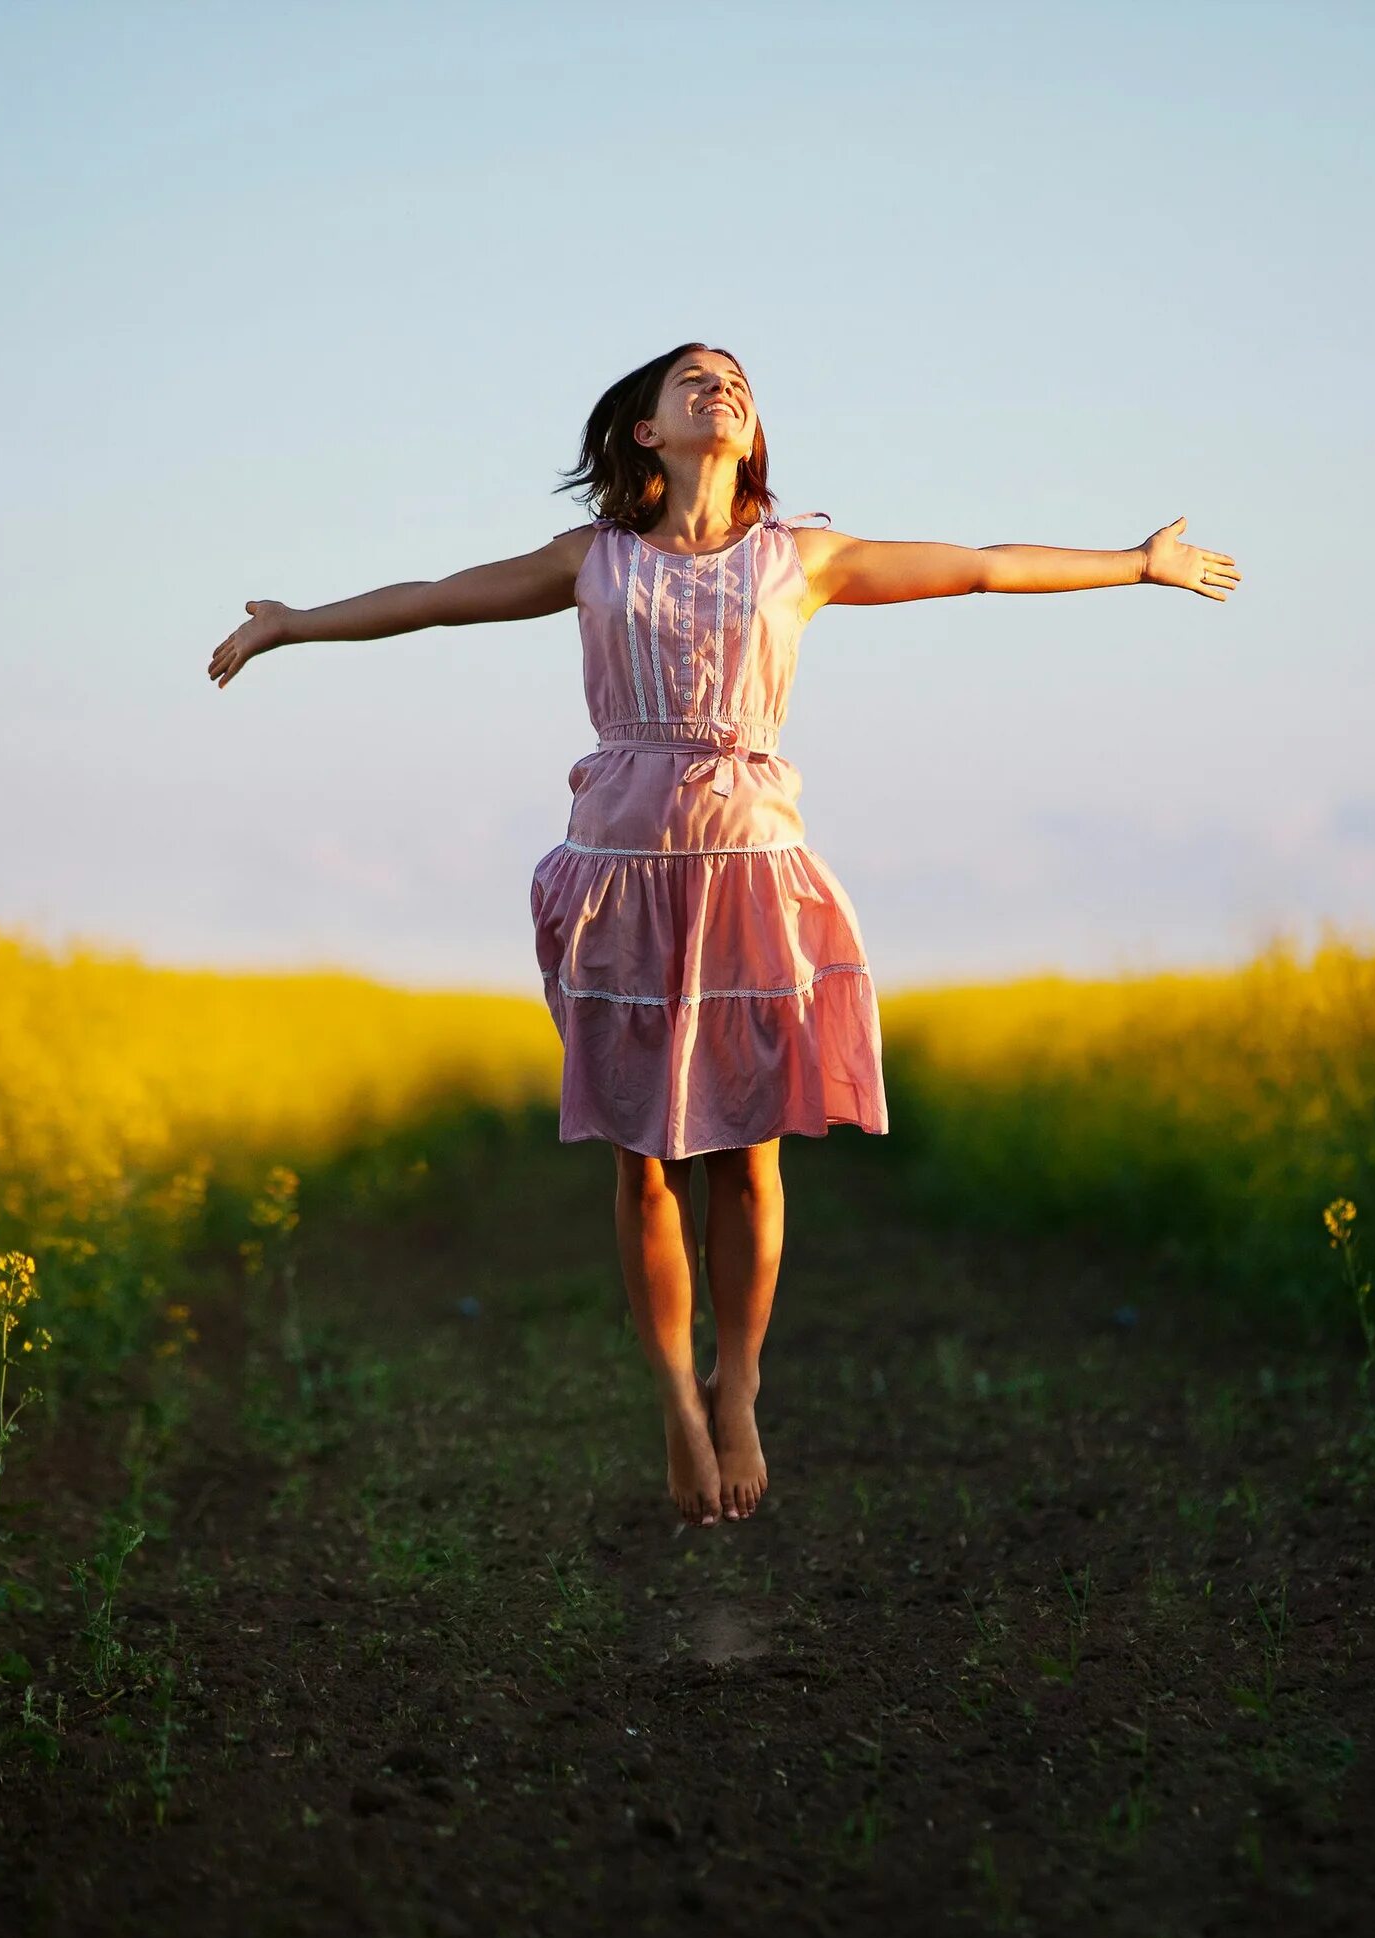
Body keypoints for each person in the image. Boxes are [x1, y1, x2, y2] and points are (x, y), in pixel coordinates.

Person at [206, 342, 1238, 1525]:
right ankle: (675, 1402)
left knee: (751, 1151)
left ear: (752, 437)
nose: (723, 388)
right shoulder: (591, 561)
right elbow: (435, 598)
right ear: (644, 430)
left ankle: (737, 1382)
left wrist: (1137, 564)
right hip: (622, 881)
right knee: (644, 1166)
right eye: (694, 378)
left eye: (738, 382)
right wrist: (292, 622)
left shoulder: (801, 558)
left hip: (751, 876)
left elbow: (986, 566)